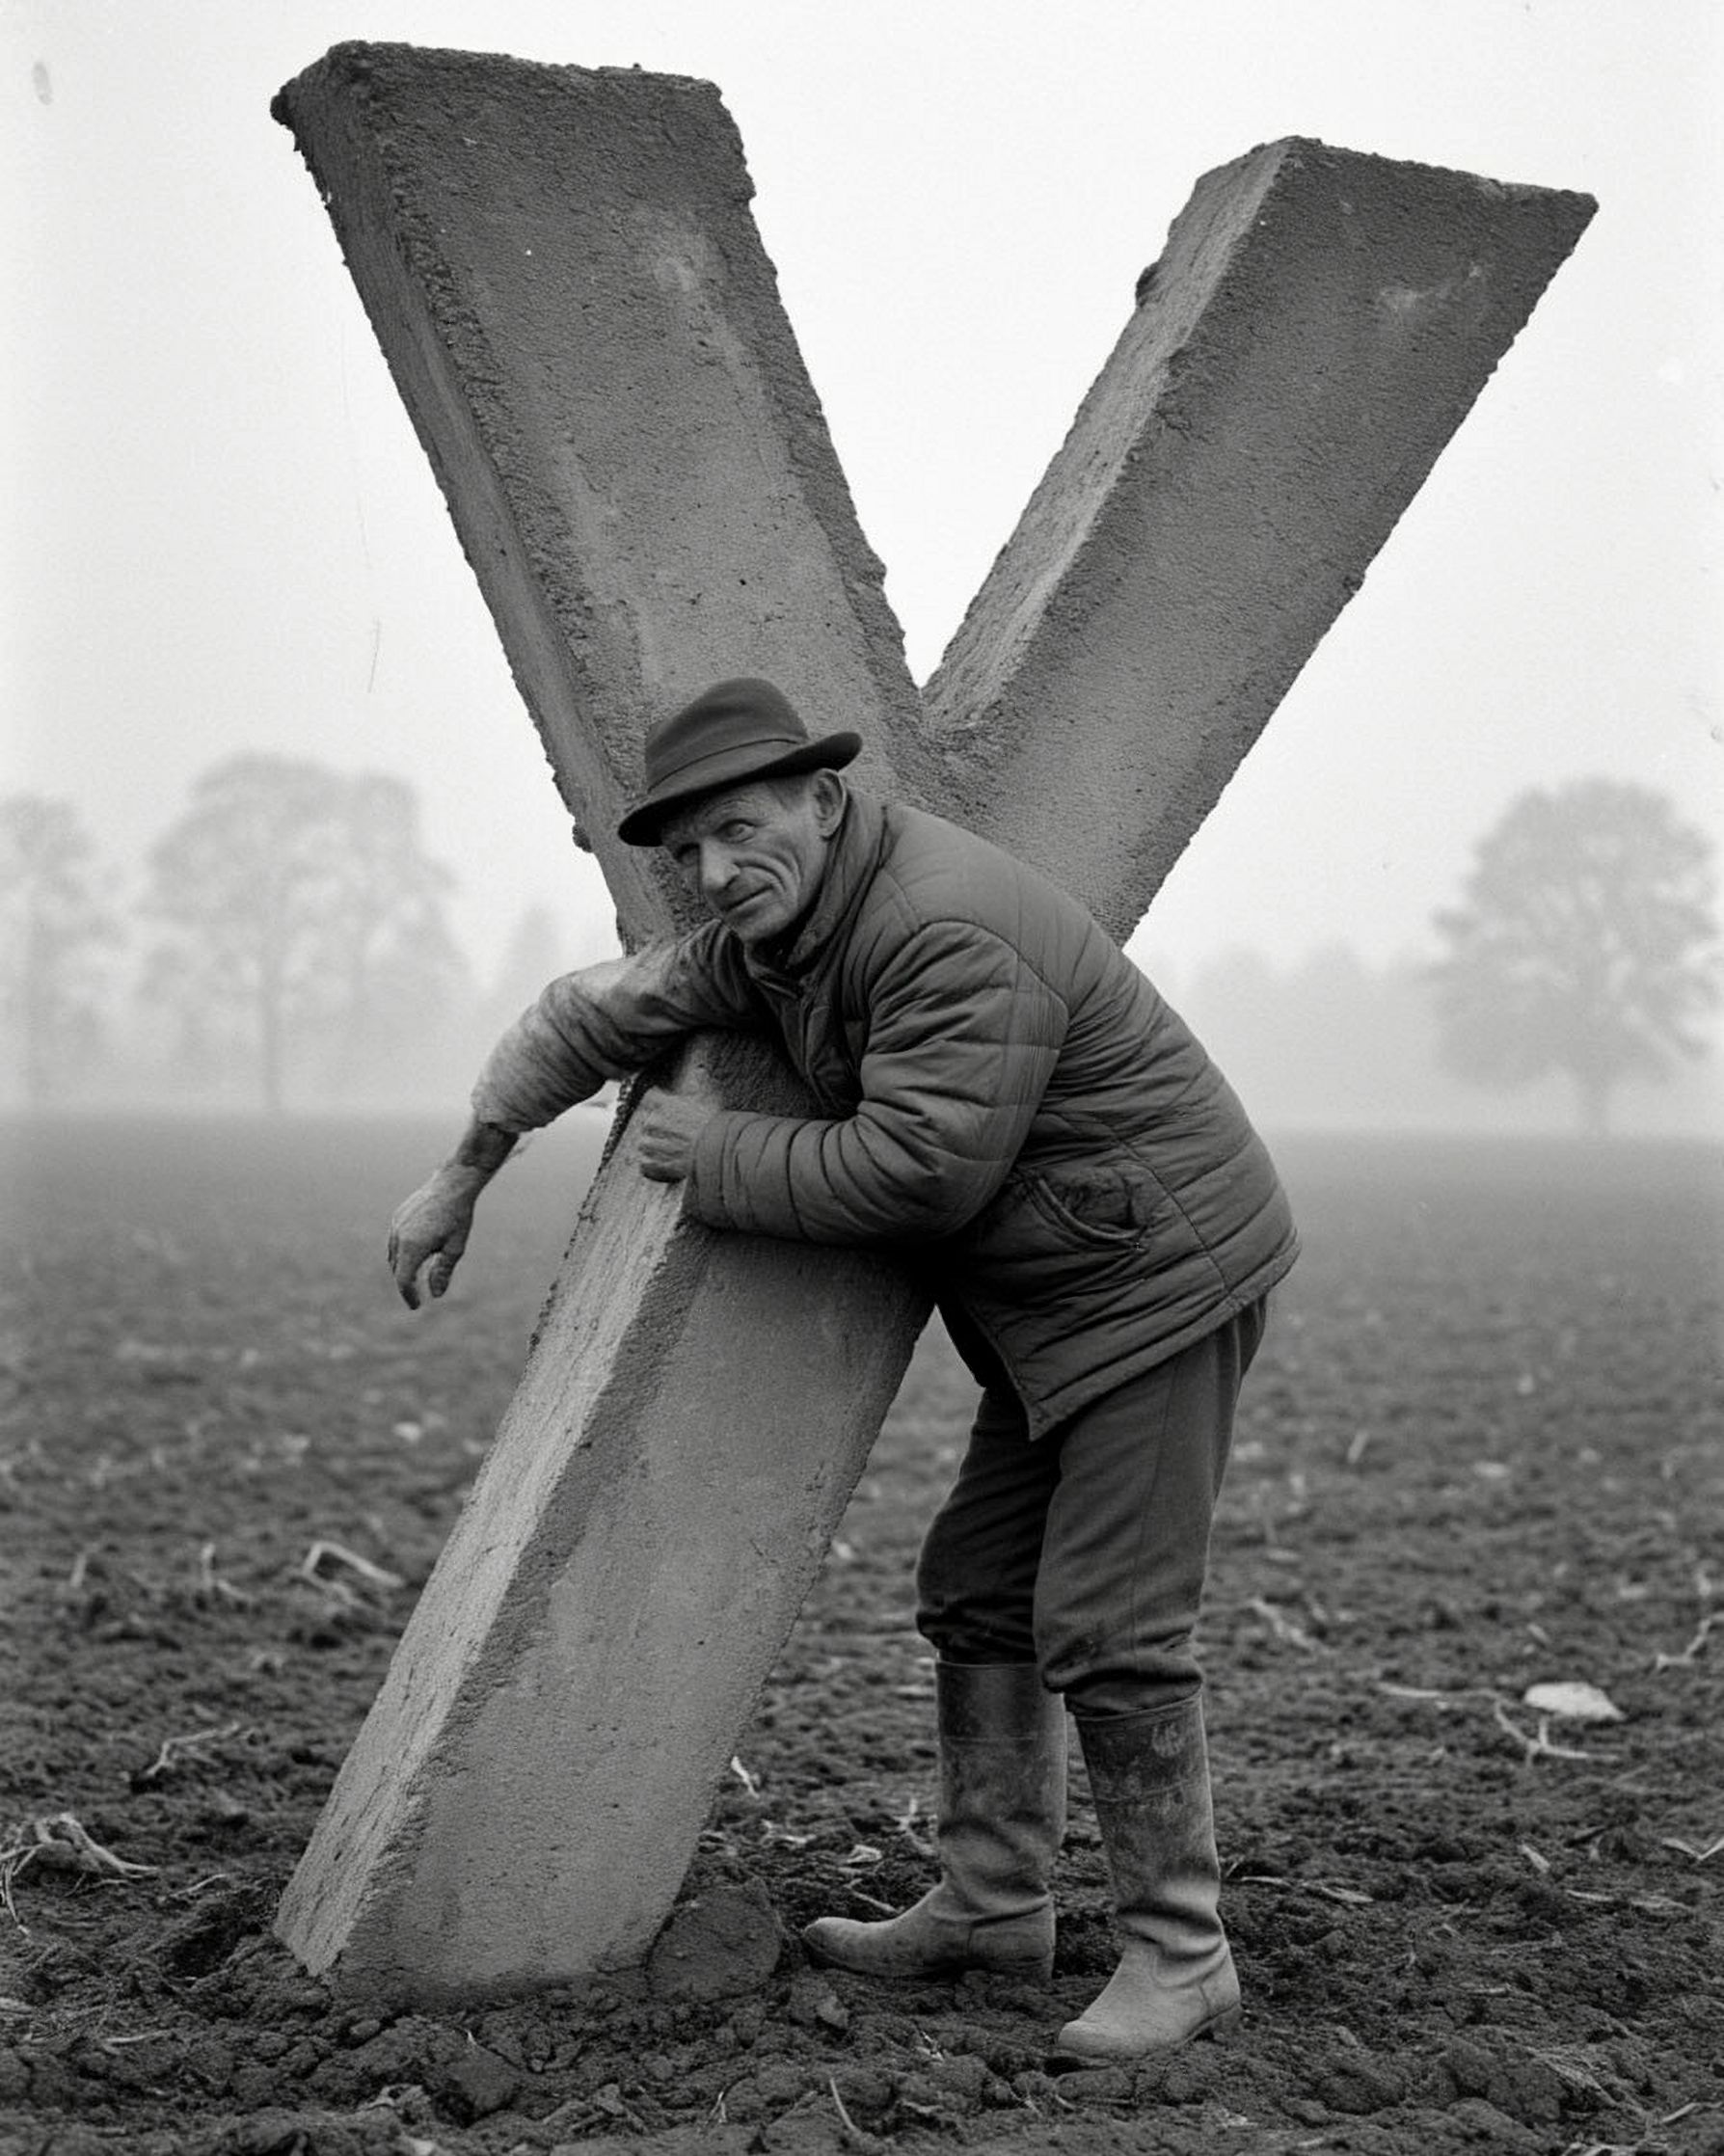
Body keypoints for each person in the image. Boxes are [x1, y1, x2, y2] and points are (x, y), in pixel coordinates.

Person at [388, 677, 1298, 2067]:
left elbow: (926, 1172)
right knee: (978, 1591)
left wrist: (723, 1160)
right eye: (686, 853)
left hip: (1152, 1281)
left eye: (739, 832)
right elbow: (597, 1011)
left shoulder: (938, 928)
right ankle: (997, 1908)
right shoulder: (782, 925)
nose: (712, 873)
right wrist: (465, 1168)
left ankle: (1184, 1956)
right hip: (1062, 1286)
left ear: (823, 801)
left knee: (1109, 1620)